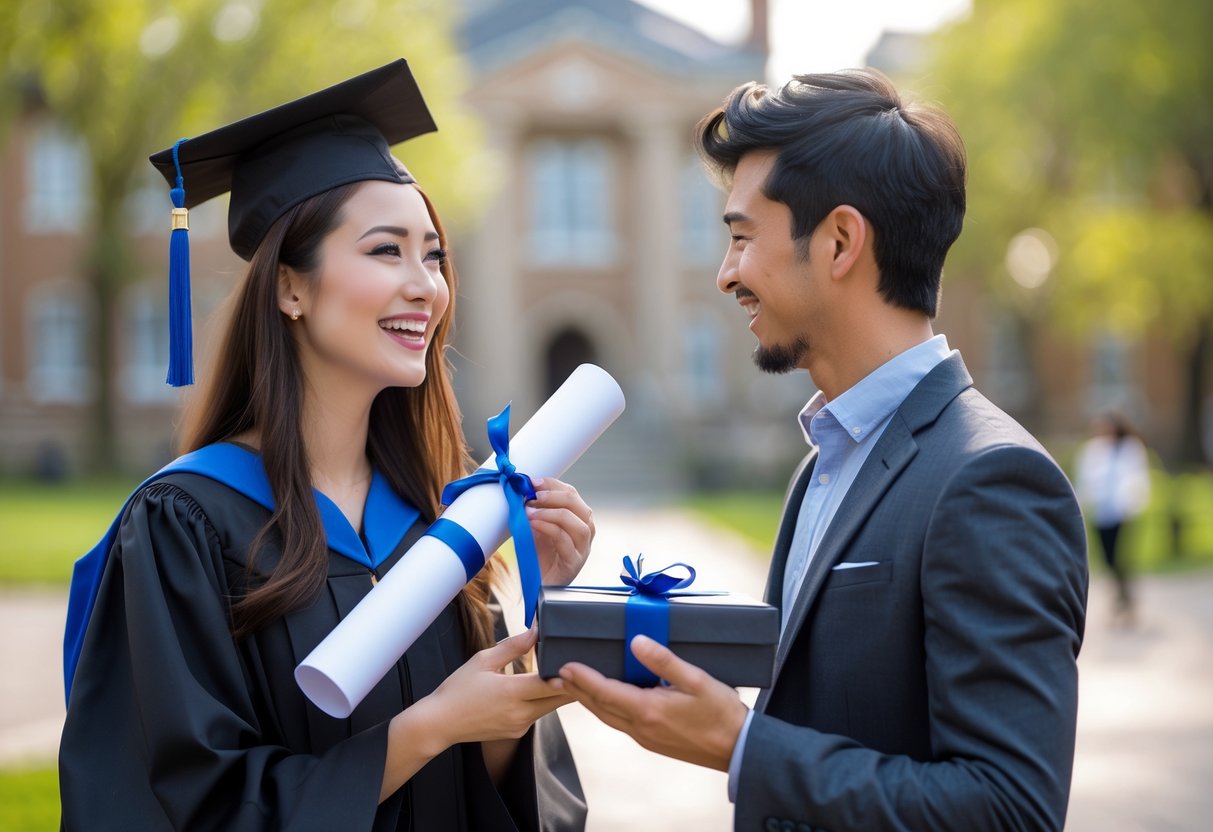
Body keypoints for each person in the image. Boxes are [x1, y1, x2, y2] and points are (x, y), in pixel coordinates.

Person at [60, 60, 590, 831]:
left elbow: (514, 794)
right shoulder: (187, 524)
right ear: (290, 288)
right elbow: (176, 804)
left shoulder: (438, 519)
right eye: (385, 251)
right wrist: (427, 728)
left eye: (434, 255)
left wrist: (538, 633)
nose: (426, 287)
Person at [554, 69, 1089, 831]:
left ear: (839, 241)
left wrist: (742, 746)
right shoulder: (822, 465)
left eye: (741, 237)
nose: (724, 273)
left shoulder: (991, 480)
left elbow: (1007, 810)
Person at [1075, 410, 1151, 620]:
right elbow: (1085, 480)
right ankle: (1121, 594)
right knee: (1108, 557)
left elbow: (1137, 477)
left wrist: (1134, 501)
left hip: (1122, 511)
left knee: (1121, 556)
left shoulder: (1129, 449)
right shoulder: (1092, 451)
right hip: (1101, 513)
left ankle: (1124, 599)